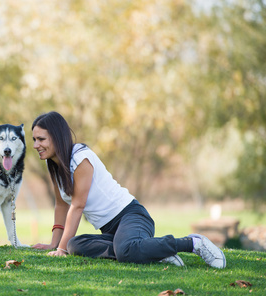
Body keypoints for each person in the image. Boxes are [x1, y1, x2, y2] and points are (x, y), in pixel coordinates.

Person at [31, 111, 226, 268]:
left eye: (41, 139)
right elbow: (60, 205)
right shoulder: (55, 166)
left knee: (124, 250)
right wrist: (56, 244)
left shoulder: (80, 157)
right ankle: (152, 253)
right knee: (75, 245)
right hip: (111, 231)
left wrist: (61, 250)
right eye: (34, 140)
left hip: (131, 216)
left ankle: (193, 243)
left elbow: (77, 205)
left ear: (56, 137)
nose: (35, 145)